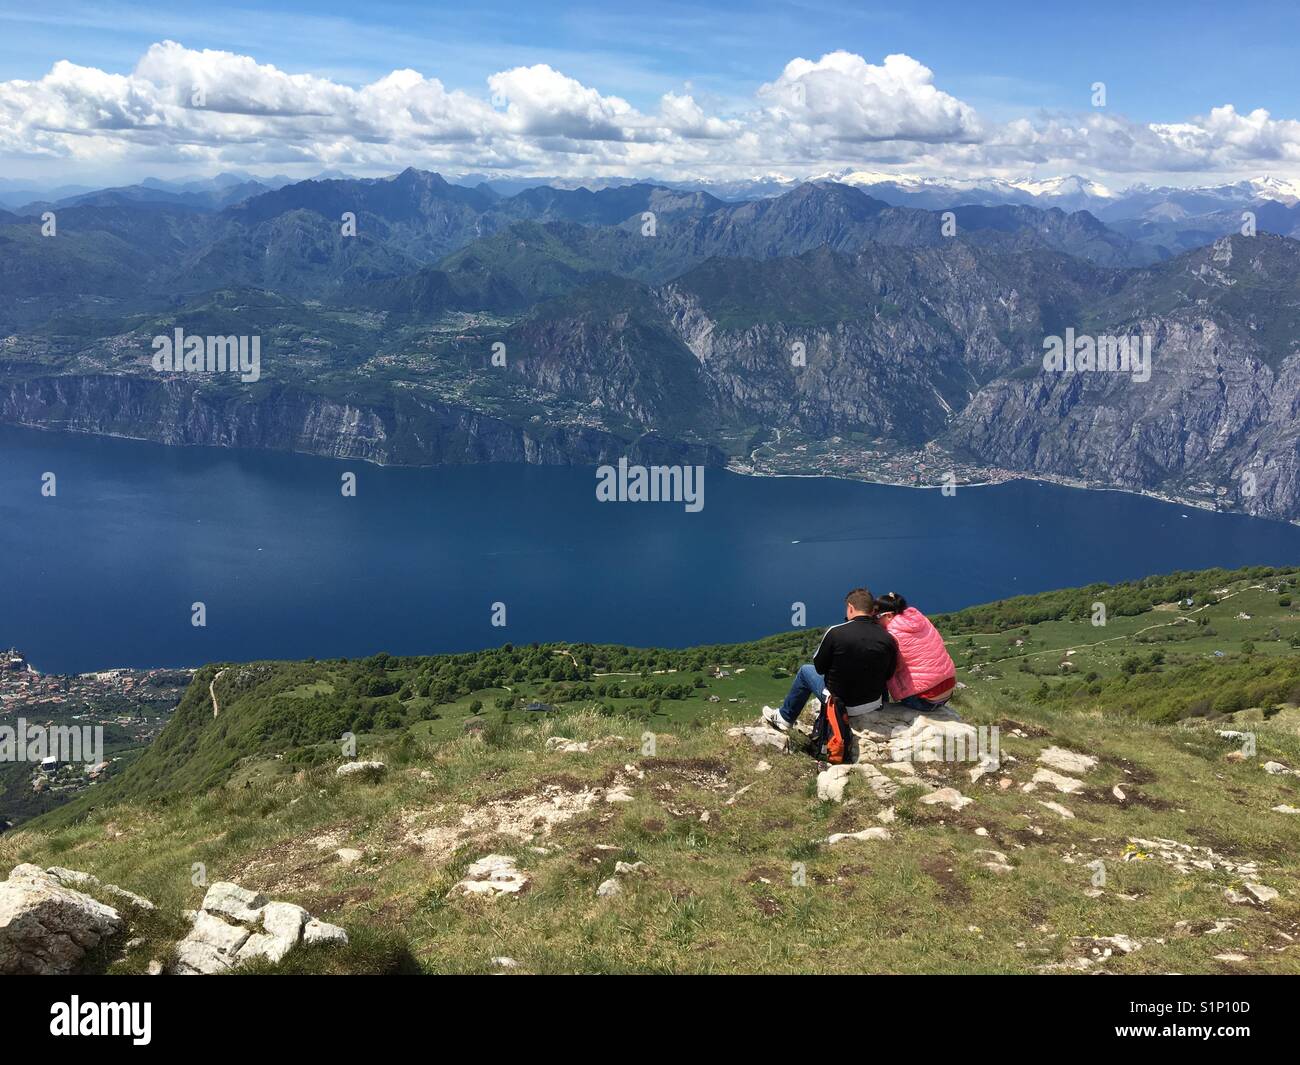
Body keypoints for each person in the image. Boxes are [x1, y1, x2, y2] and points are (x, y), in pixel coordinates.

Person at [762, 588, 897, 732]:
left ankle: (785, 718)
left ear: (850, 608)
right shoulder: (888, 638)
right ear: (872, 610)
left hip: (842, 706)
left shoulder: (835, 632)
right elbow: (888, 674)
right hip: (873, 704)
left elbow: (819, 668)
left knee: (805, 671)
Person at [873, 592, 956, 711]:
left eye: (876, 617)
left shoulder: (892, 635)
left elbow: (891, 669)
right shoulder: (919, 618)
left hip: (925, 700)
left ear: (889, 615)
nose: (875, 621)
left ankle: (880, 708)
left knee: (880, 668)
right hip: (947, 691)